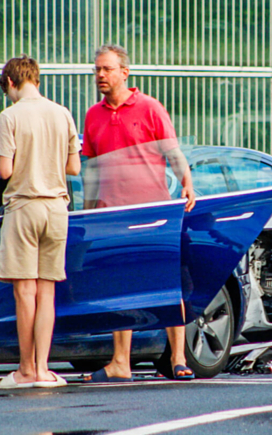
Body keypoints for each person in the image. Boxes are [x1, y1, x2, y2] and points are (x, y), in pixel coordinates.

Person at [82, 44, 196, 383]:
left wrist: (187, 183)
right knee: (120, 287)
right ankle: (120, 363)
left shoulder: (149, 107)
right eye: (97, 70)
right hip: (112, 215)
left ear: (124, 73)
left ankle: (178, 358)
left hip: (153, 211)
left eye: (106, 69)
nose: (100, 75)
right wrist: (89, 213)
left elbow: (173, 153)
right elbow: (91, 169)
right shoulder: (92, 115)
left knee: (165, 282)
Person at [0, 55, 81, 389]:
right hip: (57, 209)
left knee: (25, 293)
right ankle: (44, 370)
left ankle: (25, 370)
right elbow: (74, 169)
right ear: (36, 80)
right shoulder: (62, 113)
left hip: (25, 207)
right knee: (48, 292)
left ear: (10, 82)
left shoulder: (10, 116)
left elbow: (5, 172)